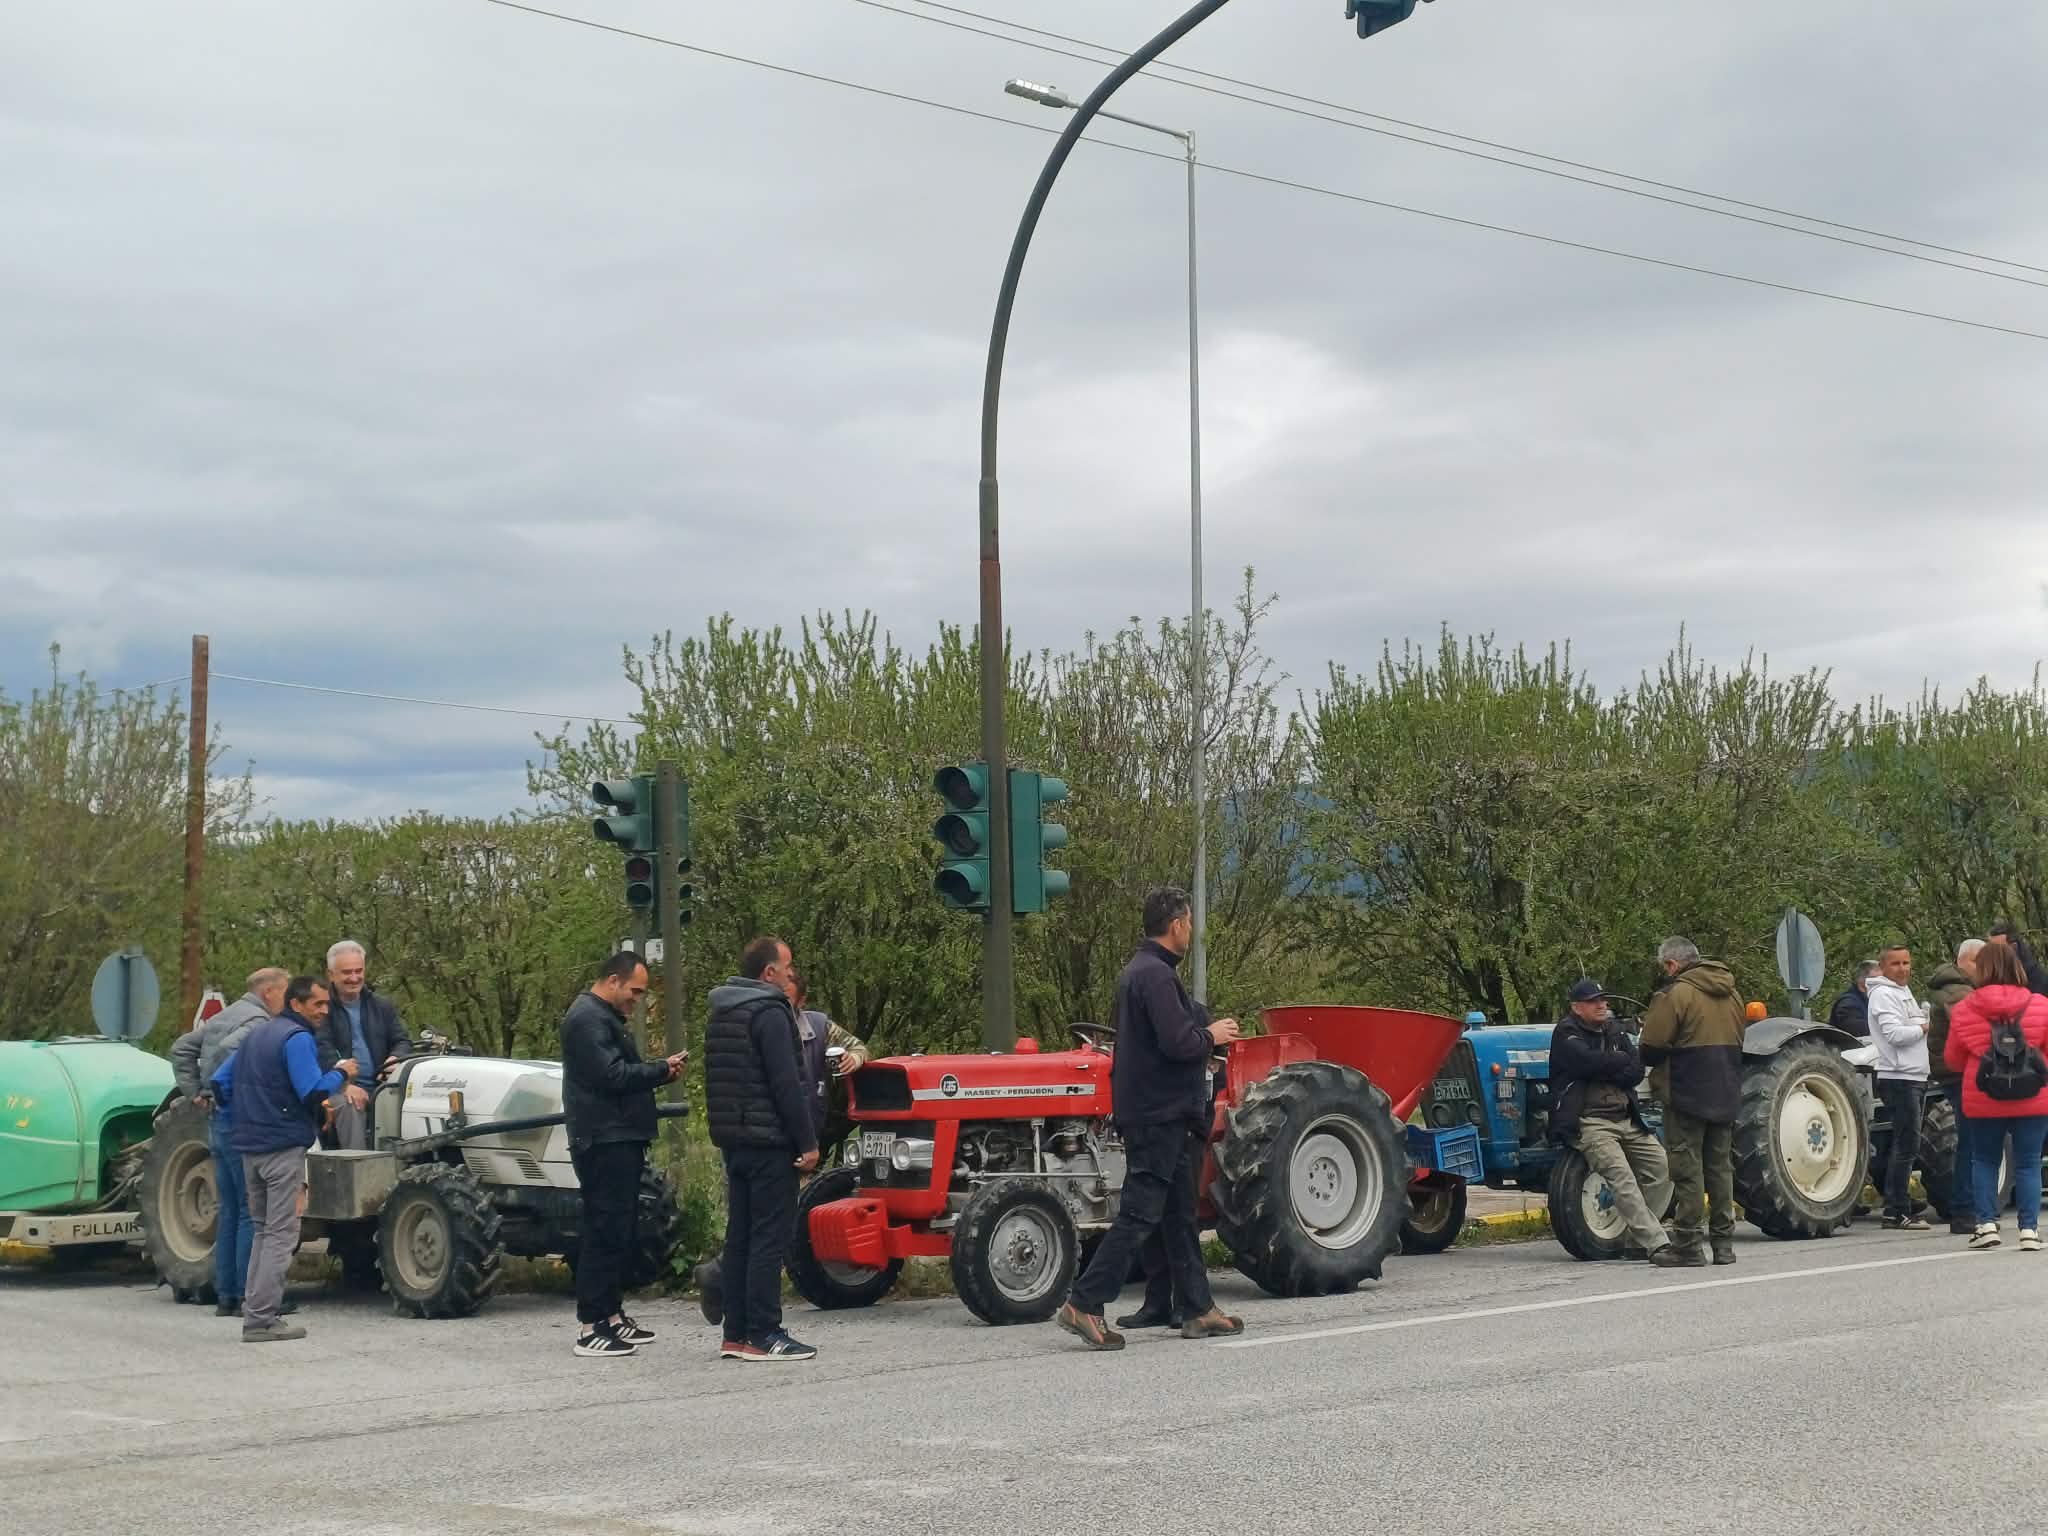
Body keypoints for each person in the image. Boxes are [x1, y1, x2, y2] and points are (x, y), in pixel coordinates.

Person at [1057, 887, 1243, 1351]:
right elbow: (1179, 1043)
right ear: (1177, 924)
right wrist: (1212, 1034)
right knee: (1141, 1213)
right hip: (1159, 1115)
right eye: (1189, 923)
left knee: (1180, 1215)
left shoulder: (1140, 973)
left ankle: (1198, 1309)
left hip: (1165, 1115)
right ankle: (1085, 1301)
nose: (1191, 932)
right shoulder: (1155, 977)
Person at [210, 976, 351, 1344]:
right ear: (296, 1004)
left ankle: (253, 1311)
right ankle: (261, 1319)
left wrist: (245, 1118)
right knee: (280, 1234)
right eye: (317, 1004)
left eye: (326, 1004)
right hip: (282, 1148)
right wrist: (342, 1073)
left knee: (260, 1230)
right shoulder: (297, 1038)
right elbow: (313, 1090)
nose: (324, 1011)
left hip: (248, 1148)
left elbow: (218, 1083)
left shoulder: (256, 1035)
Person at [559, 951, 685, 1359]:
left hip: (620, 1137)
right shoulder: (586, 1019)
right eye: (635, 991)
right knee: (604, 1229)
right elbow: (610, 1076)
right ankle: (589, 1325)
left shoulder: (604, 1018)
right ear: (612, 980)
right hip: (603, 1139)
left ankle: (611, 1315)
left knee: (621, 1229)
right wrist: (660, 1070)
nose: (638, 1000)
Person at [706, 936, 819, 1362]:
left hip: (734, 1141)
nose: (792, 973)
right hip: (770, 1140)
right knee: (770, 1238)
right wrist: (807, 1141)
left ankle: (735, 1332)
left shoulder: (722, 1010)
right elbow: (786, 1082)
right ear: (768, 973)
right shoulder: (771, 1012)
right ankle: (765, 1332)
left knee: (740, 1236)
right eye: (787, 966)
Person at [170, 967, 289, 1317]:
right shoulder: (258, 1024)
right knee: (251, 1212)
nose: (287, 999)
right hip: (239, 1118)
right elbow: (227, 1051)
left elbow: (181, 1048)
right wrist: (215, 1087)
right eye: (284, 992)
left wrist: (197, 1093)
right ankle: (246, 1296)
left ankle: (226, 1296)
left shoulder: (224, 1016)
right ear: (269, 992)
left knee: (230, 1210)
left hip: (217, 1123)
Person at [1550, 978, 1683, 1266]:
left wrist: (1608, 1064)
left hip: (1625, 1117)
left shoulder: (1614, 1029)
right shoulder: (1566, 1033)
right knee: (1622, 1178)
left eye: (1603, 1000)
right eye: (1593, 1001)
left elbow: (1635, 1070)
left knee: (1664, 1168)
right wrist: (1615, 1061)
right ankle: (1657, 1244)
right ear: (1576, 1008)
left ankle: (1636, 1241)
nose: (1602, 1005)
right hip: (1591, 1121)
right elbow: (1584, 1062)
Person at [1639, 937, 1745, 1266]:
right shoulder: (1733, 993)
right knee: (1720, 1168)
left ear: (1672, 964)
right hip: (1725, 1089)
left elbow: (1651, 1047)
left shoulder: (1675, 994)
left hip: (1686, 1091)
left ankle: (1687, 1244)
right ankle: (1724, 1245)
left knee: (1687, 1169)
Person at [1941, 939, 2048, 1252]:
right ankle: (2029, 1230)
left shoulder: (1964, 1008)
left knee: (1985, 1160)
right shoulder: (2040, 1005)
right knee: (2028, 1163)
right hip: (2032, 1096)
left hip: (1983, 1093)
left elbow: (1953, 1059)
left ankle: (1986, 1224)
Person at [317, 941, 412, 1150]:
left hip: (382, 1085)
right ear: (331, 974)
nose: (354, 978)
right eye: (346, 972)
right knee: (351, 1105)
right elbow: (321, 1049)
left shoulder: (381, 1005)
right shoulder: (321, 1008)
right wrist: (344, 1084)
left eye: (358, 971)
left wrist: (395, 1058)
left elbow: (402, 1040)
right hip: (339, 1087)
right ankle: (358, 1169)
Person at [1867, 943, 1932, 1231]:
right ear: (1883, 967)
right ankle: (1896, 1211)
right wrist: (1923, 1027)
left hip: (1913, 1075)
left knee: (1903, 1144)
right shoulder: (1883, 994)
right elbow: (1894, 1035)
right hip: (1899, 1077)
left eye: (1906, 963)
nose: (1903, 968)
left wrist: (1918, 1023)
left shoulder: (1902, 992)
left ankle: (1897, 1207)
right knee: (1906, 1145)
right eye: (1896, 964)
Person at [1926, 939, 1984, 1235]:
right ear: (1970, 961)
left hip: (1950, 1070)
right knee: (1972, 1141)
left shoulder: (1951, 986)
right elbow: (1971, 1029)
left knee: (1971, 1139)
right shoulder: (1959, 991)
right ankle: (1965, 1209)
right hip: (1960, 1072)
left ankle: (1967, 1207)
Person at [785, 968, 868, 1154]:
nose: (780, 1007)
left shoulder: (818, 1027)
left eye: (787, 1002)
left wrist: (853, 1059)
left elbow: (859, 1048)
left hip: (810, 1133)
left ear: (801, 1001)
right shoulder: (758, 1025)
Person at [1987, 922, 2048, 995]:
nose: (1991, 953)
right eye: (1989, 948)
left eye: (1997, 949)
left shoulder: (2032, 975)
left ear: (2013, 947)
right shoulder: (1993, 970)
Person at [1827, 962, 1878, 1039]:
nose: (1881, 982)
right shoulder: (1848, 1003)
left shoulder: (1872, 998)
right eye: (1875, 978)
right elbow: (1858, 1031)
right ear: (1860, 979)